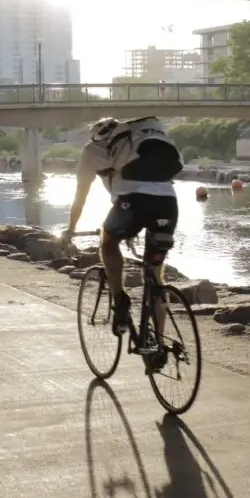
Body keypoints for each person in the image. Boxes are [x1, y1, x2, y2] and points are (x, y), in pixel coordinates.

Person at [62, 116, 183, 344]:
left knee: (108, 242)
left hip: (132, 203)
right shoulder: (140, 141)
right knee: (156, 275)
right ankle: (159, 343)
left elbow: (80, 195)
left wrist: (70, 228)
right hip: (168, 203)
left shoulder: (92, 150)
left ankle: (120, 299)